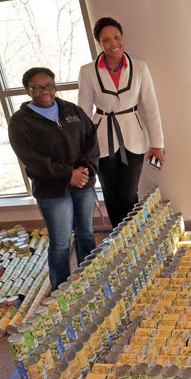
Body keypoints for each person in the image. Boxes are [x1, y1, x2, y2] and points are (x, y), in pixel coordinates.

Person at [8, 67, 99, 290]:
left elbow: (91, 142)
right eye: (36, 88)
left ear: (54, 86)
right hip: (51, 191)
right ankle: (61, 290)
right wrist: (68, 175)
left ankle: (90, 280)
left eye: (47, 86)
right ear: (27, 91)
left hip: (83, 183)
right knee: (60, 243)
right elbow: (33, 160)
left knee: (86, 234)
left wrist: (84, 172)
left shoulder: (72, 111)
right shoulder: (20, 122)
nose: (43, 91)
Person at [78, 17, 165, 228]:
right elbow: (83, 112)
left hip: (133, 138)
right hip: (101, 140)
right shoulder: (88, 71)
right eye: (106, 40)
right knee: (110, 193)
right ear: (100, 43)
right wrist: (82, 151)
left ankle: (134, 236)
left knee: (127, 193)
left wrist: (157, 144)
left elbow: (151, 107)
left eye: (116, 37)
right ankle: (120, 241)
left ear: (122, 37)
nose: (113, 43)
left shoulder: (140, 67)